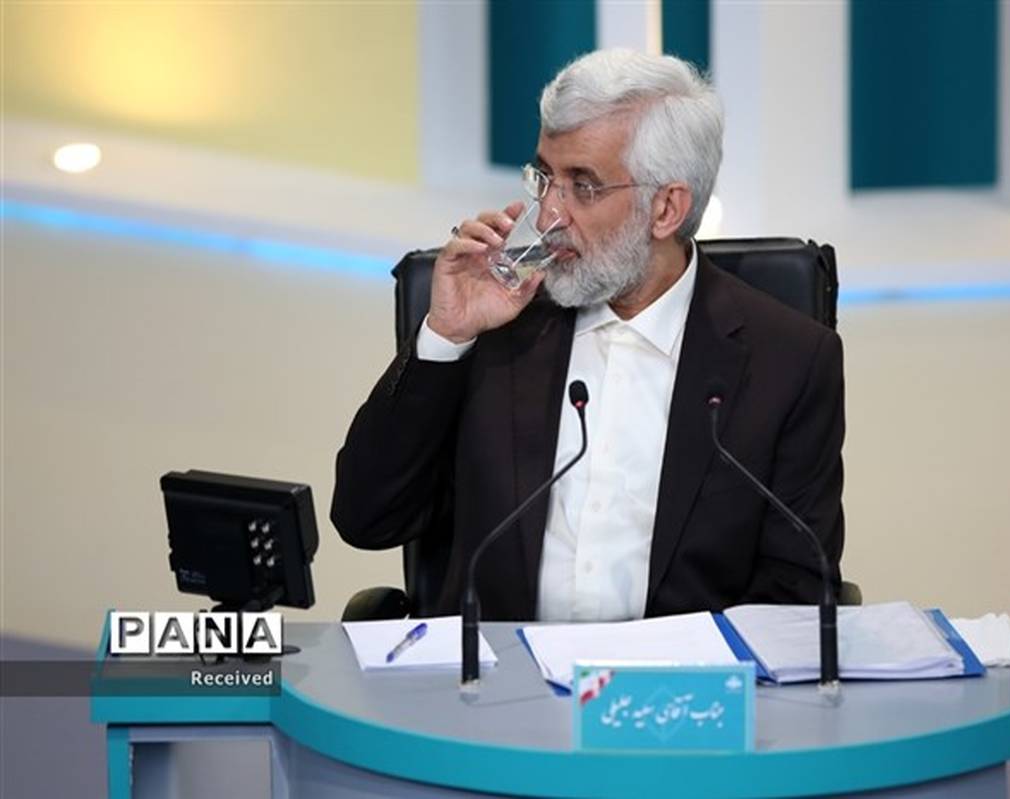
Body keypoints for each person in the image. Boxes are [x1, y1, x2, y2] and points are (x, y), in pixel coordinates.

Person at [332, 49, 845, 622]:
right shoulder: (500, 326)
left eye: (583, 186)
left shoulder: (787, 361)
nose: (547, 216)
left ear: (666, 209)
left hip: (682, 675)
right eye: (544, 179)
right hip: (497, 670)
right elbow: (366, 518)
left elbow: (796, 599)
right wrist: (447, 337)